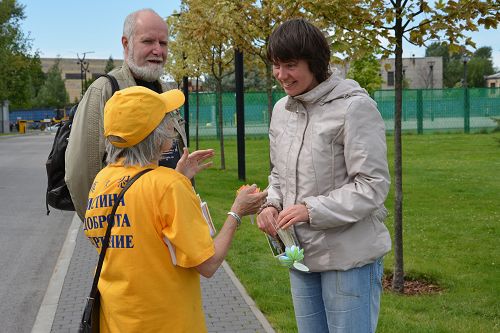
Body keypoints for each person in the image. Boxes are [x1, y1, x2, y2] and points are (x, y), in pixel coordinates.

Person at [85, 86, 268, 332]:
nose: (173, 123)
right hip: (167, 322)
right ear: (156, 134)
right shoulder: (167, 186)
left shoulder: (101, 180)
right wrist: (237, 211)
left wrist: (179, 176)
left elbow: (139, 231)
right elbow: (208, 263)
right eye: (168, 118)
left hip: (118, 320)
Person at [257, 19, 391, 333]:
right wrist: (270, 205)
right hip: (301, 256)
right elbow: (279, 174)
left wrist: (311, 210)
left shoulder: (354, 108)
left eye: (291, 65)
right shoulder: (282, 110)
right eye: (277, 65)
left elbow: (372, 186)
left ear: (315, 63)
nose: (281, 75)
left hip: (349, 260)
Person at [66, 8, 213, 220]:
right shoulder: (105, 90)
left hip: (170, 223)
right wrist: (104, 229)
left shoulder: (165, 92)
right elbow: (81, 172)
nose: (157, 50)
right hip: (133, 233)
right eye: (148, 42)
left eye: (163, 43)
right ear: (126, 44)